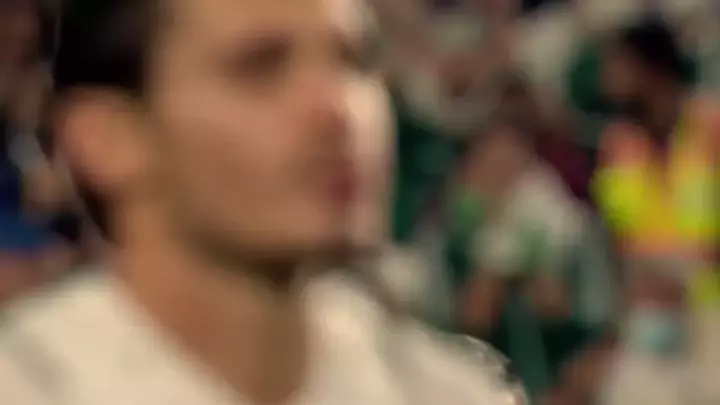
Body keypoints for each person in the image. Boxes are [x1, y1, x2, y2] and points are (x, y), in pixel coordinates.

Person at [0, 0, 523, 404]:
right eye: (260, 67)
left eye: (354, 61)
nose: (339, 109)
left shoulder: (449, 393)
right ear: (105, 138)